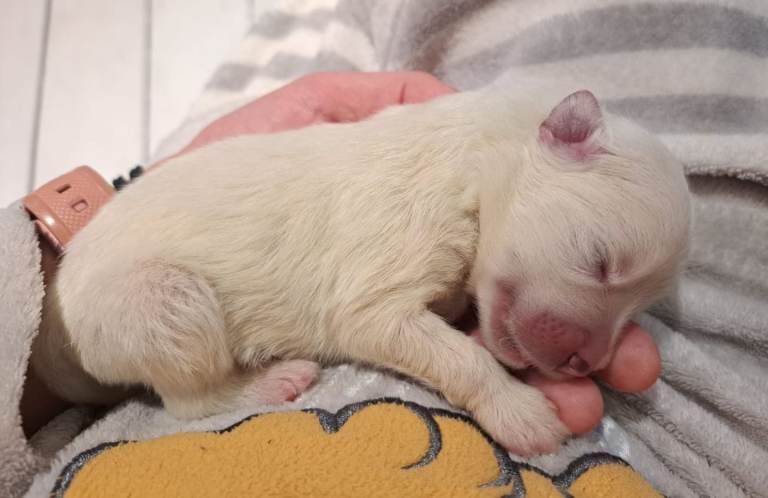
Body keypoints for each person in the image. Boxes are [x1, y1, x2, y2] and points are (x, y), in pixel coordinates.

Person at [21, 71, 660, 439]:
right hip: (126, 295)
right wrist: (488, 390)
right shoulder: (419, 183)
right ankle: (203, 396)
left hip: (89, 300)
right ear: (562, 139)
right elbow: (368, 316)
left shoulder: (467, 189)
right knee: (164, 310)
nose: (593, 353)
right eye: (598, 264)